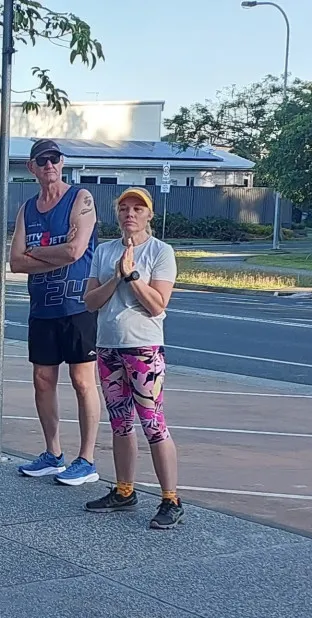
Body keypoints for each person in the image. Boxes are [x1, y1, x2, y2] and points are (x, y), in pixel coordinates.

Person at [82, 188, 182, 529]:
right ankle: (124, 490)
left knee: (152, 422)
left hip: (143, 348)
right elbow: (90, 301)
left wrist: (133, 276)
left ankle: (171, 498)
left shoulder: (160, 251)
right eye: (124, 208)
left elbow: (157, 305)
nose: (130, 214)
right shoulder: (104, 251)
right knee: (120, 422)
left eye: (138, 209)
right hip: (109, 346)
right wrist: (115, 276)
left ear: (149, 215)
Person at [9, 138, 101, 487]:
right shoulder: (27, 209)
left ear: (62, 163)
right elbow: (15, 262)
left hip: (78, 305)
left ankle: (87, 459)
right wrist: (54, 251)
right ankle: (53, 453)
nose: (49, 165)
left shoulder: (80, 199)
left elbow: (76, 251)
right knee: (43, 380)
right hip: (42, 309)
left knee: (82, 381)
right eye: (42, 160)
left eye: (54, 159)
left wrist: (35, 252)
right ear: (31, 167)